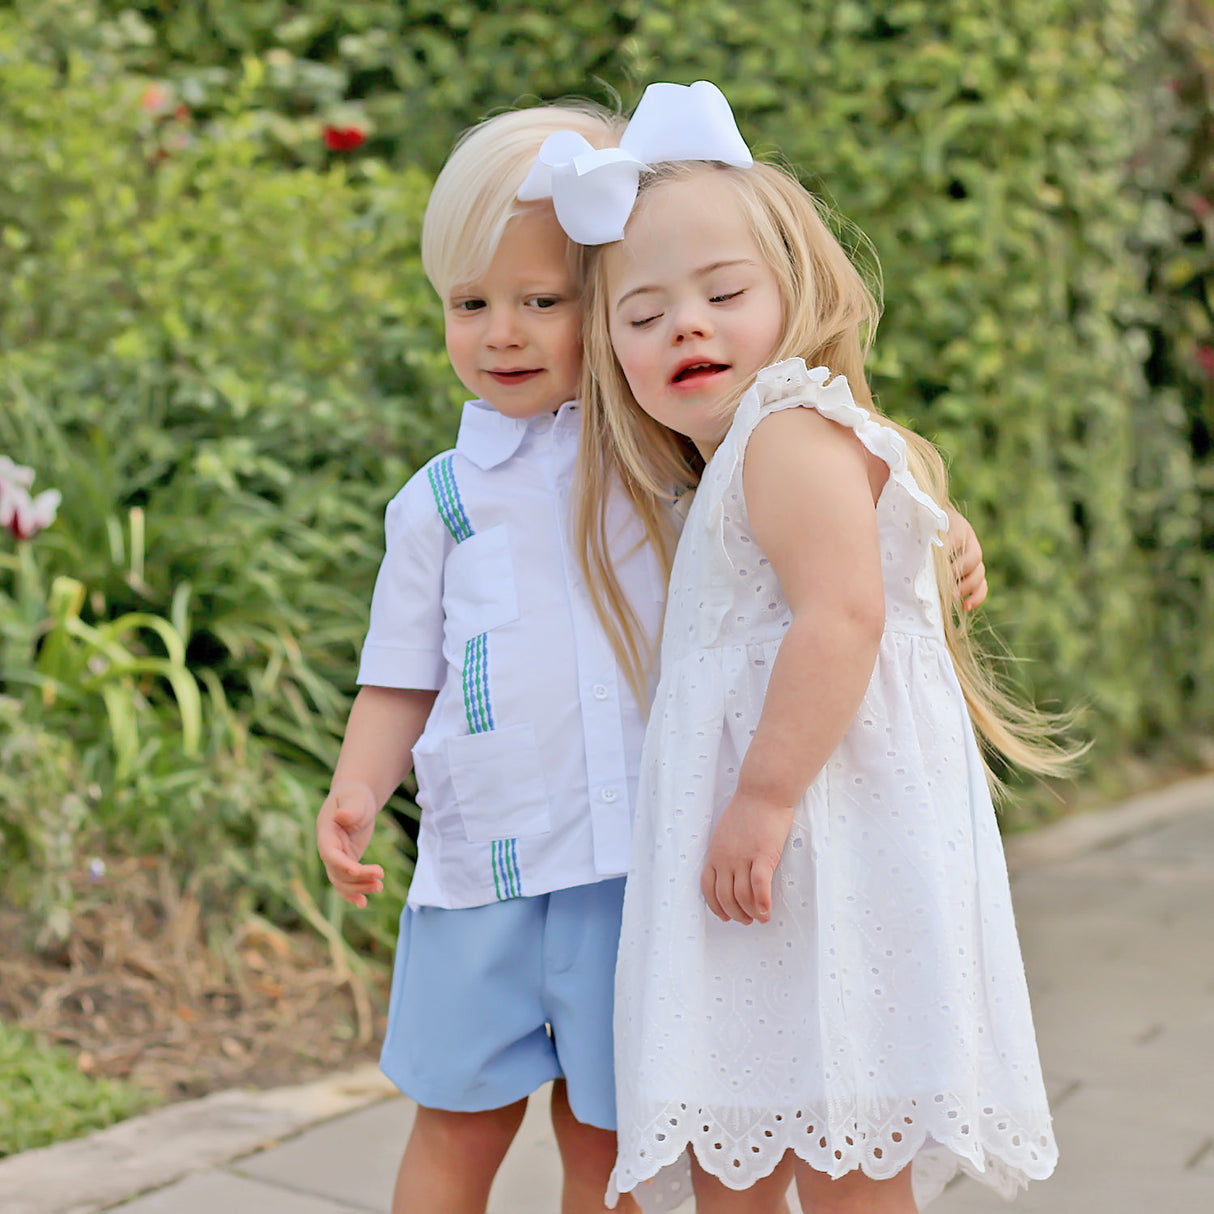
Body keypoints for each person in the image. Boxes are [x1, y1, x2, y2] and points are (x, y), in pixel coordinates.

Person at [316, 93, 989, 1214]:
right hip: (481, 865)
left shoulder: (663, 464)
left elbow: (816, 486)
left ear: (598, 308)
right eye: (468, 303)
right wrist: (355, 785)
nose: (502, 332)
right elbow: (401, 667)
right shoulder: (436, 500)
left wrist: (928, 516)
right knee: (457, 1112)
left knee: (616, 1138)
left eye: (541, 301)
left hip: (633, 864)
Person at [542, 82, 1074, 1213]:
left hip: (805, 849)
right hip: (787, 869)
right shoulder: (754, 455)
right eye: (640, 315)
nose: (683, 323)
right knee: (764, 1131)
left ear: (795, 293)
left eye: (722, 292)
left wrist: (763, 795)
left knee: (835, 1144)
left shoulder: (783, 432)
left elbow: (843, 615)